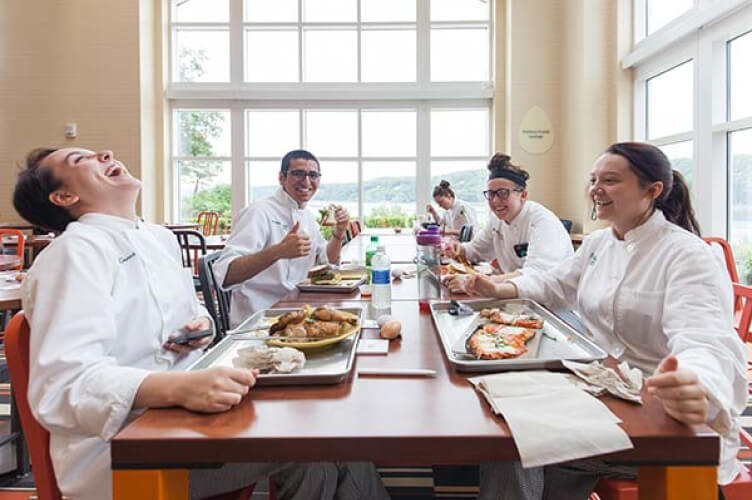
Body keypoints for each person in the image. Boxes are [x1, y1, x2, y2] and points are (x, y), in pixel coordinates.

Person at [13, 148, 388, 500]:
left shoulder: (155, 238)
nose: (106, 154)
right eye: (82, 158)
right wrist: (178, 387)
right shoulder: (75, 252)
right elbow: (62, 386)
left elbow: (194, 316)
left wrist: (200, 330)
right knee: (318, 444)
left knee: (333, 438)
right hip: (130, 449)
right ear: (63, 198)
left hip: (185, 418)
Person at [463, 143, 748, 499]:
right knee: (504, 425)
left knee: (511, 447)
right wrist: (500, 288)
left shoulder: (687, 254)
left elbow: (704, 339)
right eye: (594, 179)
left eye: (610, 180)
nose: (596, 188)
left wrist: (695, 384)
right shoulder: (600, 243)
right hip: (602, 391)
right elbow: (555, 284)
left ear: (652, 190)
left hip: (657, 416)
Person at [214, 150, 349, 327]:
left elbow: (326, 261)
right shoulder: (259, 212)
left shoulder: (307, 216)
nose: (307, 181)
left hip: (297, 313)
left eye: (313, 175)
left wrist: (339, 232)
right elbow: (226, 274)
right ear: (282, 178)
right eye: (298, 173)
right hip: (259, 320)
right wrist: (278, 251)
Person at [444, 153, 573, 289]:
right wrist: (458, 249)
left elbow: (537, 274)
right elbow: (476, 250)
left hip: (551, 303)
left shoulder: (541, 220)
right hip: (516, 296)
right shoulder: (497, 221)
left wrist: (478, 283)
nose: (495, 200)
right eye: (491, 194)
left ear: (523, 195)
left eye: (503, 193)